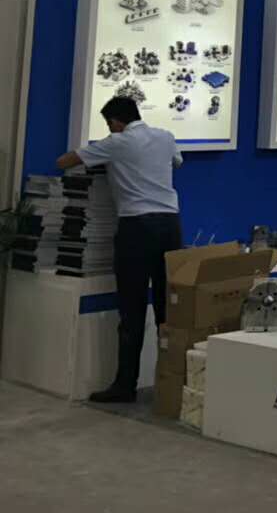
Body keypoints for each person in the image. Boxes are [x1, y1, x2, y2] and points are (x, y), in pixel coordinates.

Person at [55, 96, 182, 404]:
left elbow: (65, 161)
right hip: (170, 225)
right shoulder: (165, 136)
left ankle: (125, 385)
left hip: (137, 228)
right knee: (167, 308)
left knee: (132, 308)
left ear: (115, 122)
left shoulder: (116, 142)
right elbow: (177, 162)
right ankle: (171, 383)